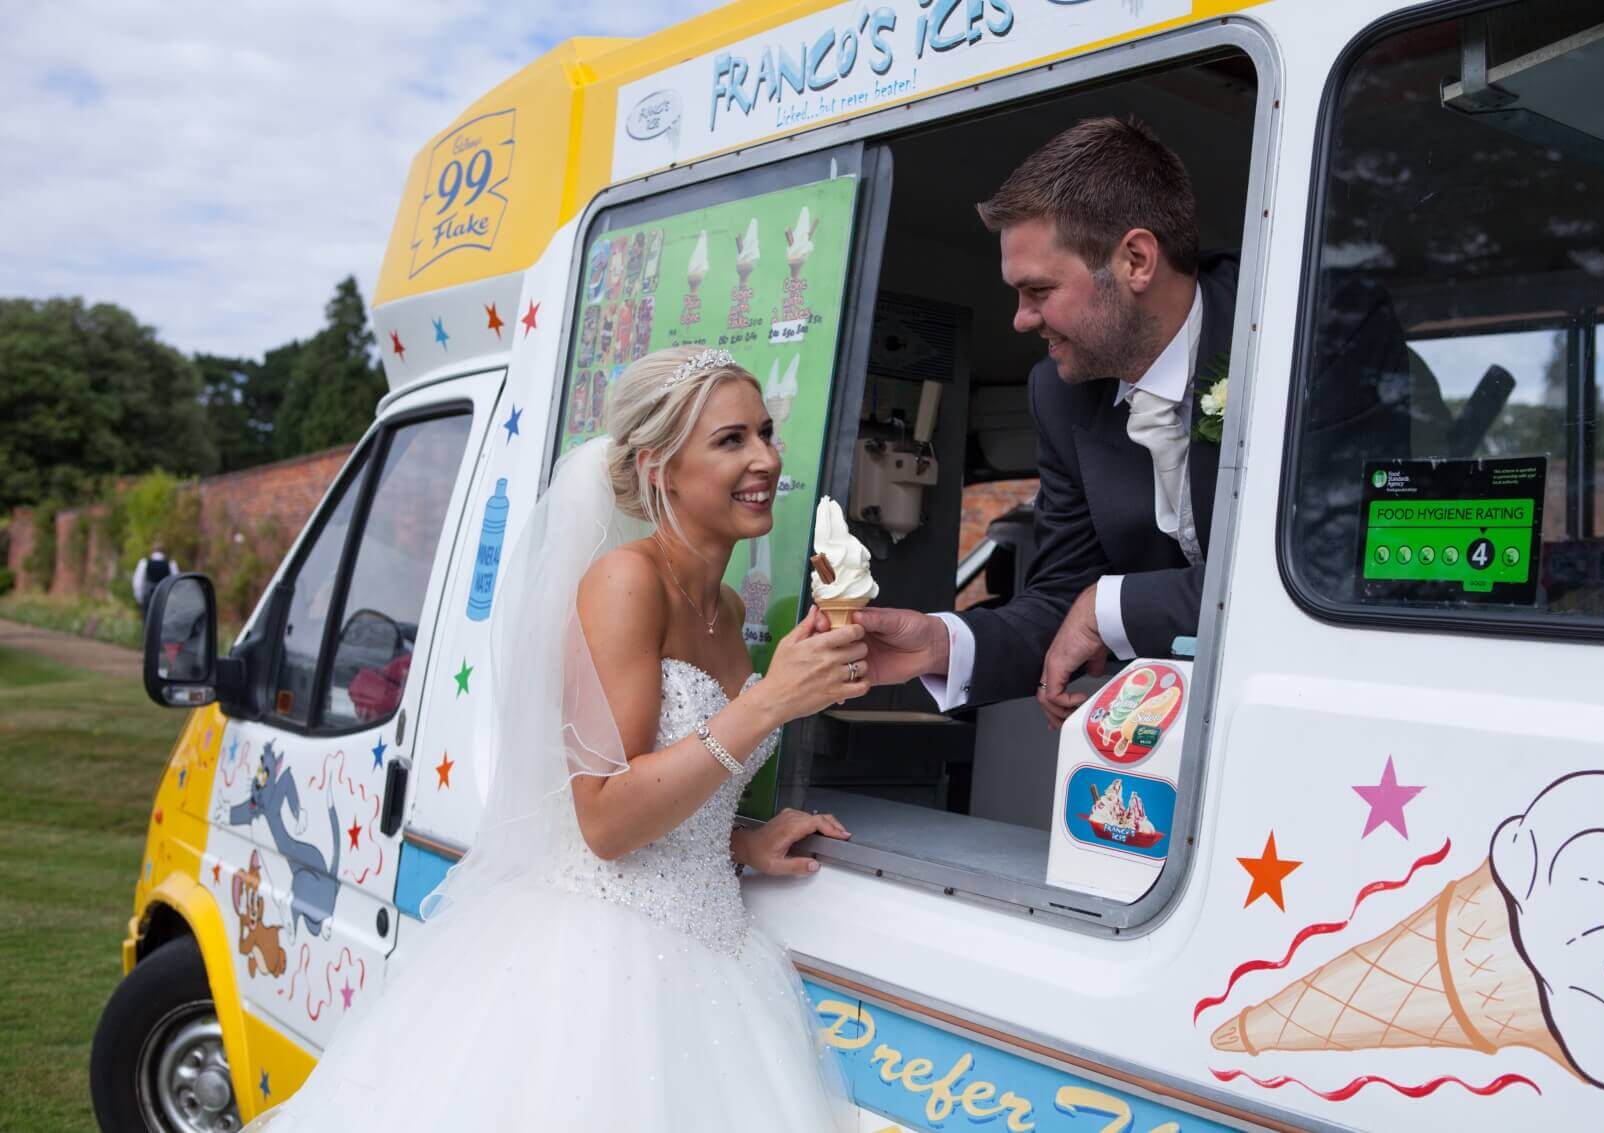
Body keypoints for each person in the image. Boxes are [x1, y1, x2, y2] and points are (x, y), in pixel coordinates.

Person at [245, 347, 866, 1131]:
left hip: (715, 961)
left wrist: (739, 843)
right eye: (731, 440)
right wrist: (770, 700)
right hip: (603, 972)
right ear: (658, 469)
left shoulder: (730, 611)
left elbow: (673, 793)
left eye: (766, 433)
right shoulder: (624, 582)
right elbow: (604, 819)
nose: (767, 459)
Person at [858, 116, 1238, 726]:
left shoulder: (1292, 335)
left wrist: (1108, 605)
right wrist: (940, 643)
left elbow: (1320, 572)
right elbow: (1063, 593)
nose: (1021, 319)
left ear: (1136, 261)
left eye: (1038, 290)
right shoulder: (1058, 395)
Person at [132, 540, 179, 616]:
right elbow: (176, 584)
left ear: (152, 551)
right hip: (165, 600)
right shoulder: (171, 564)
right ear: (164, 552)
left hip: (148, 600)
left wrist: (140, 599)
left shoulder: (144, 563)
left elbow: (138, 583)